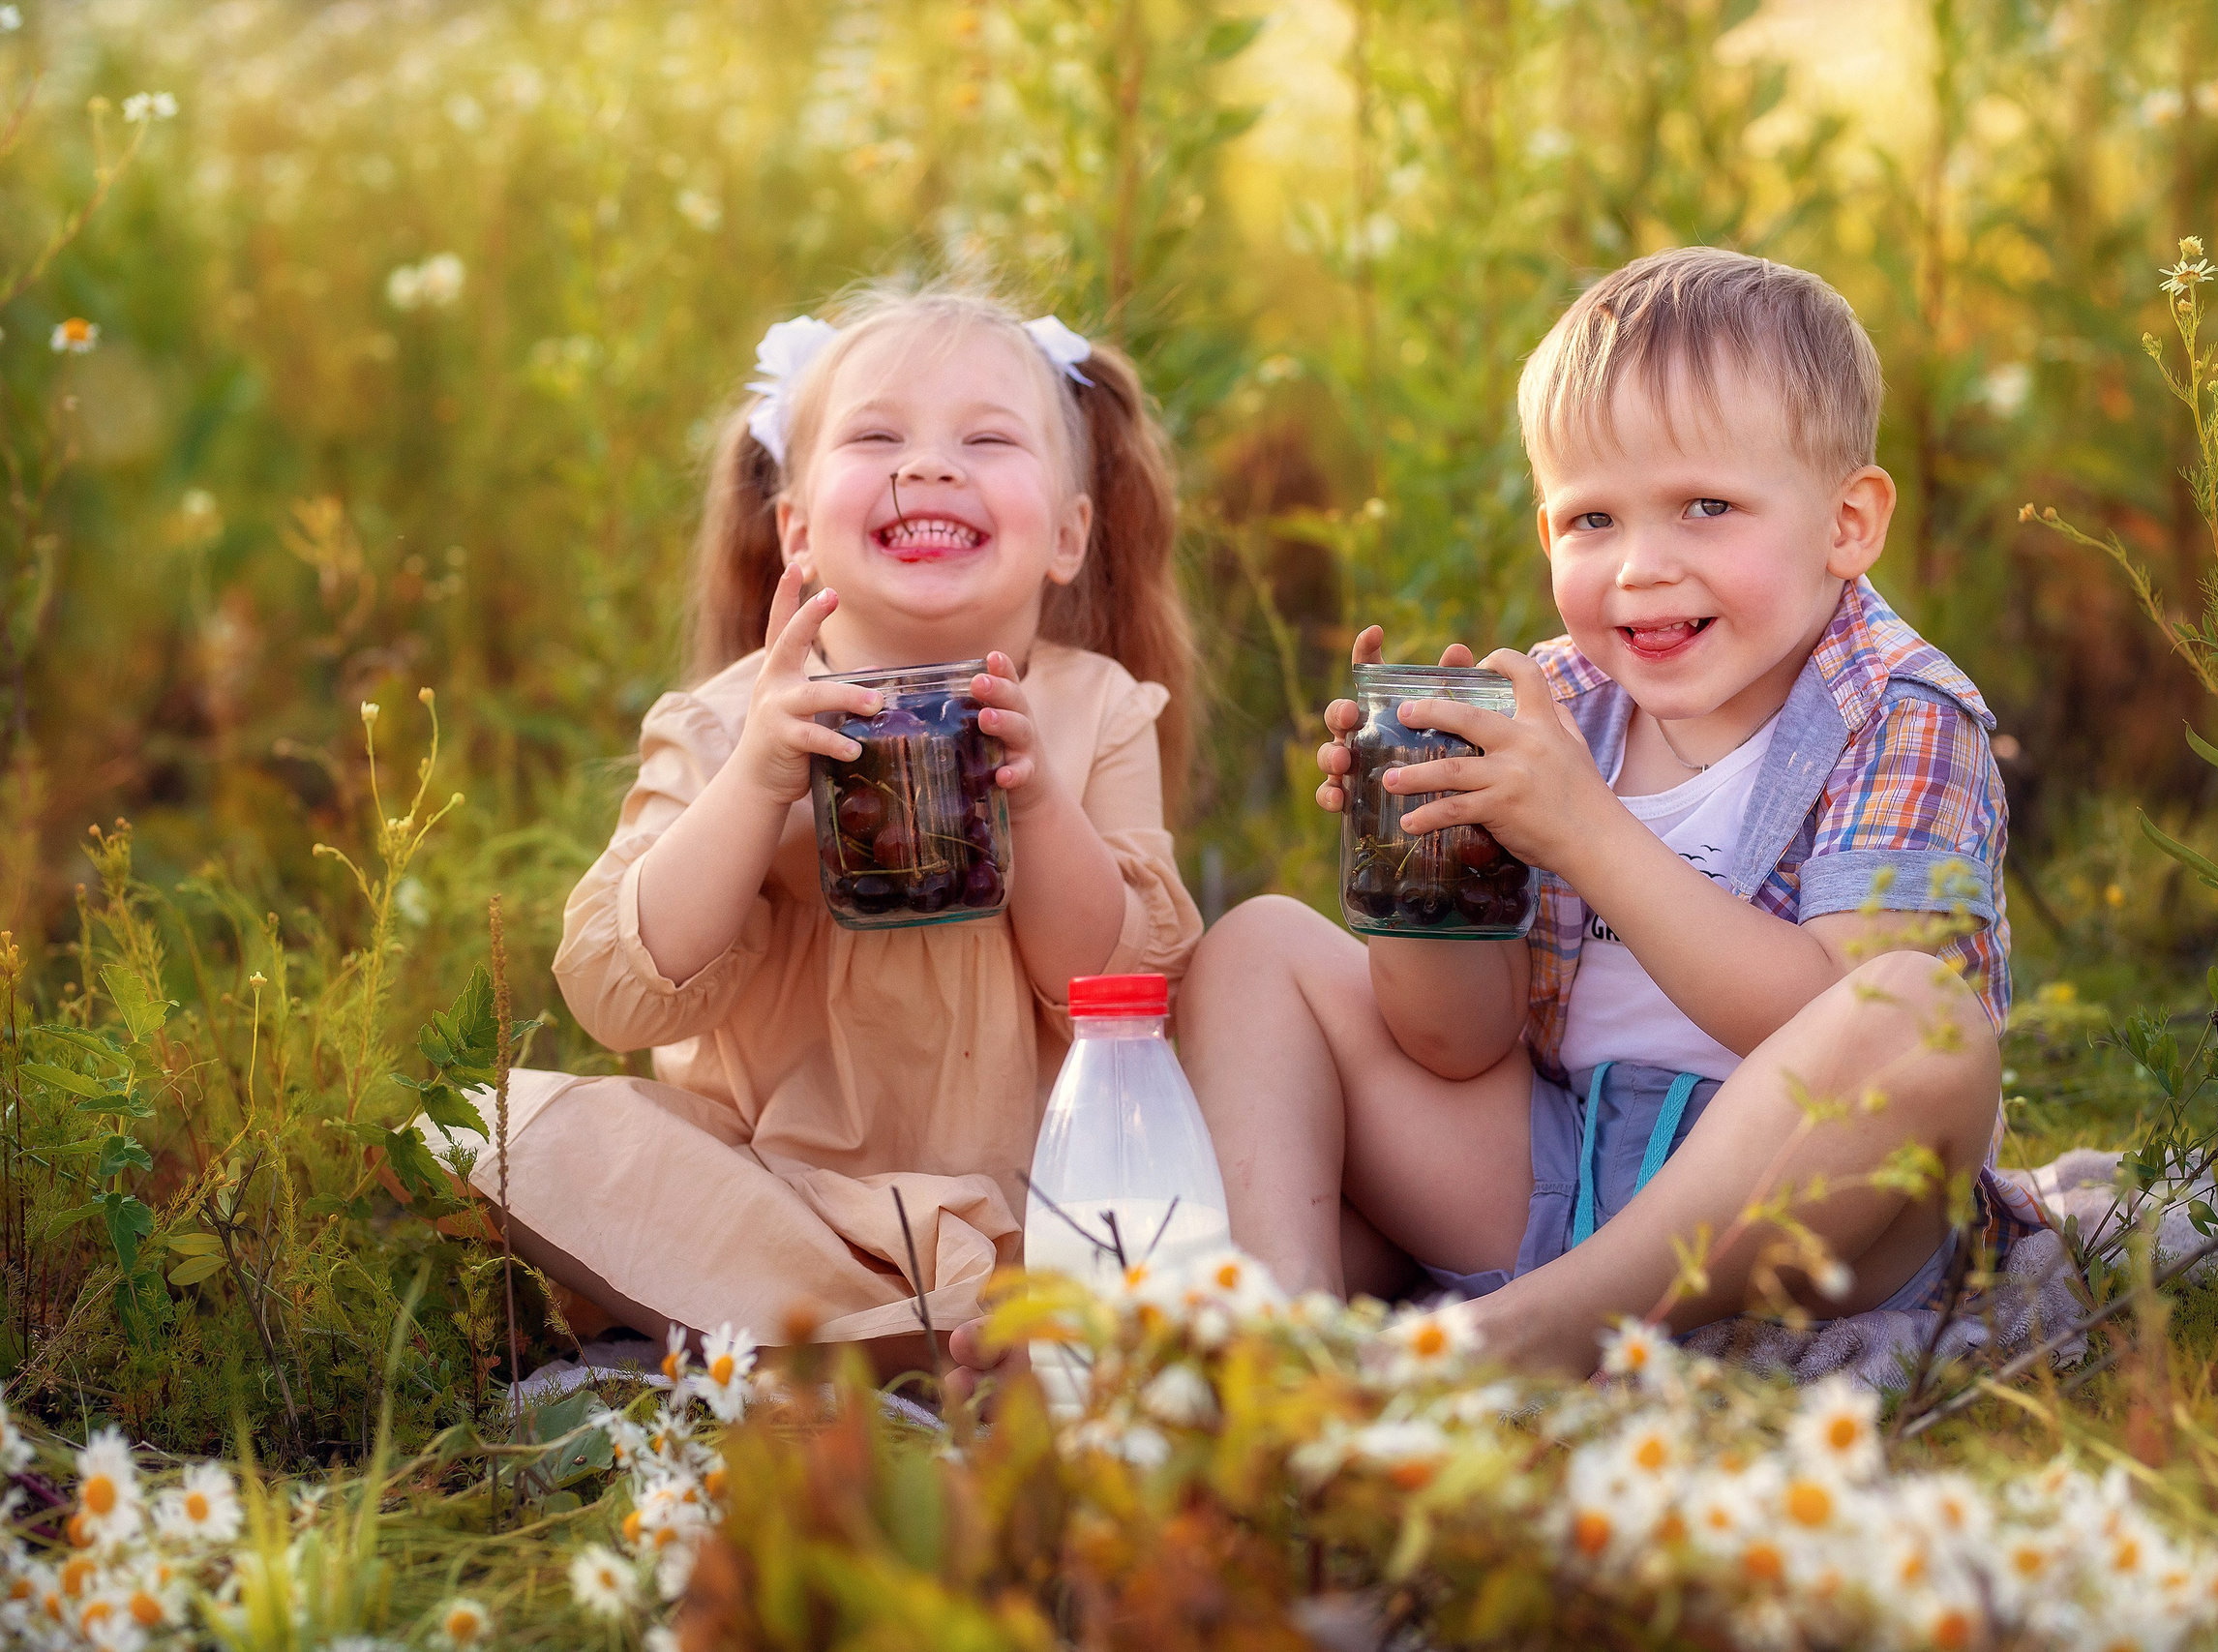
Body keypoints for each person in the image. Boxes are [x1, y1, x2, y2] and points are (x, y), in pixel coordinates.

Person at [1172, 248, 2045, 1374]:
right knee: (1255, 947)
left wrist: (1583, 828)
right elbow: (1459, 1043)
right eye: (1591, 521)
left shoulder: (1901, 712)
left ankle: (1525, 1336)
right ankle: (1278, 1340)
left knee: (1917, 1015)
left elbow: (1832, 1010)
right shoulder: (1560, 709)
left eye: (1705, 507)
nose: (1639, 567)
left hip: (1817, 1223)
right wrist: (1424, 875)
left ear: (1846, 523)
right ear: (1546, 534)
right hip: (1555, 1171)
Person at [439, 285, 1201, 1374]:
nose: (931, 465)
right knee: (503, 1130)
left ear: (1069, 536)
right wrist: (755, 785)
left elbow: (1122, 983)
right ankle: (885, 1340)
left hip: (1037, 1210)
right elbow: (615, 989)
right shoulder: (720, 725)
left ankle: (867, 1348)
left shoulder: (1095, 712)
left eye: (986, 438)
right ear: (795, 527)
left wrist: (1034, 802)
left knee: (1129, 1219)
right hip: (781, 1206)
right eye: (879, 436)